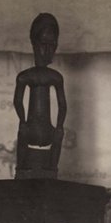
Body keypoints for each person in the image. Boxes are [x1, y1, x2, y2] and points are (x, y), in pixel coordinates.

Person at [14, 13, 67, 176]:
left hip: (48, 130)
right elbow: (17, 101)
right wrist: (23, 121)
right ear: (34, 44)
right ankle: (21, 169)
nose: (47, 50)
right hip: (29, 129)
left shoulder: (55, 77)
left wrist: (59, 126)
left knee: (59, 135)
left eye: (52, 45)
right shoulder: (25, 76)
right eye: (44, 44)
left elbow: (62, 105)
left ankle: (52, 168)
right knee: (22, 133)